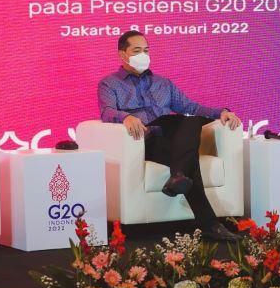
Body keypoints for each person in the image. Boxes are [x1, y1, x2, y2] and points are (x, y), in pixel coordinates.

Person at [98, 31, 243, 241]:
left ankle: (180, 178)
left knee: (190, 121)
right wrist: (126, 117)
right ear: (122, 54)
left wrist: (221, 112)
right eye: (137, 51)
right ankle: (208, 222)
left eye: (146, 50)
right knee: (188, 157)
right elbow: (107, 111)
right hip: (144, 141)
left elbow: (190, 106)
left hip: (170, 137)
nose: (143, 55)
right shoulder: (109, 84)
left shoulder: (163, 83)